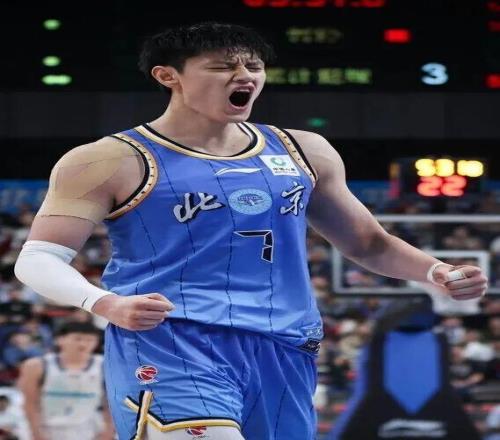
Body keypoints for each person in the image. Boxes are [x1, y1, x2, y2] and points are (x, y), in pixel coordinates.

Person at [13, 22, 488, 440]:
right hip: (173, 339)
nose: (244, 76)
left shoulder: (304, 151)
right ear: (168, 75)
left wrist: (436, 271)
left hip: (284, 345)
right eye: (222, 66)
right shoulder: (108, 159)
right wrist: (104, 302)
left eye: (254, 66)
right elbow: (37, 258)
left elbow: (368, 243)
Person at [17, 322, 114, 440]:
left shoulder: (106, 366)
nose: (83, 344)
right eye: (78, 339)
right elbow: (30, 403)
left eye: (90, 340)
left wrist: (109, 431)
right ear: (60, 339)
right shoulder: (36, 366)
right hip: (47, 428)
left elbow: (110, 404)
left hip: (88, 429)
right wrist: (36, 433)